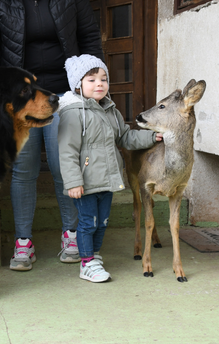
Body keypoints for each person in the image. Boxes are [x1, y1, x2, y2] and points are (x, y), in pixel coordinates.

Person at [0, 0, 105, 271]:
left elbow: (89, 38)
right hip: (24, 101)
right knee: (24, 169)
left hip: (64, 95)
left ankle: (71, 234)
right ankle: (24, 241)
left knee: (64, 166)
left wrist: (92, 82)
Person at [57, 54, 162, 282]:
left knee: (102, 221)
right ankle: (86, 263)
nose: (99, 84)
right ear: (78, 85)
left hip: (106, 179)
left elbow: (125, 137)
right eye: (92, 80)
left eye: (103, 79)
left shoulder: (110, 111)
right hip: (84, 182)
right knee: (88, 222)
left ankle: (92, 256)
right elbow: (67, 151)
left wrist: (153, 137)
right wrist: (73, 182)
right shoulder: (72, 113)